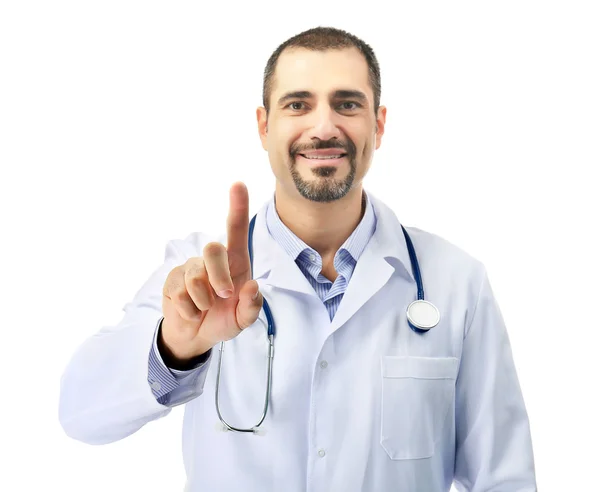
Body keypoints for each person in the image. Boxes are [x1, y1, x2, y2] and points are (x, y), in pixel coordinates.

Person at [59, 26, 537, 492]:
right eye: (297, 105)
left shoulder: (455, 281)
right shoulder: (197, 275)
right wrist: (177, 347)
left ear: (379, 124)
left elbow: (505, 477)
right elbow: (81, 412)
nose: (324, 126)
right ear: (265, 127)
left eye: (347, 104)